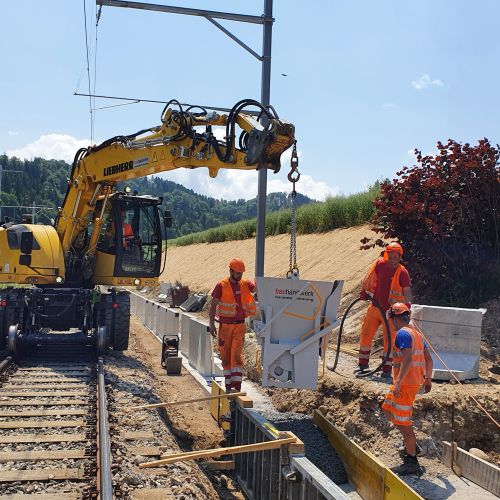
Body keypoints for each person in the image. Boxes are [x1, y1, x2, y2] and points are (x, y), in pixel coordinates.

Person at [382, 303, 433, 476]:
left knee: (404, 425)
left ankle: (412, 461)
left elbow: (408, 359)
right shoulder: (416, 334)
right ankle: (412, 445)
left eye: (391, 319)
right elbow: (429, 359)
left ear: (394, 318)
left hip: (404, 384)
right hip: (409, 382)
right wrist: (428, 379)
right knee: (387, 407)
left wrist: (398, 384)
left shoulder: (403, 333)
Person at [356, 242, 412, 379]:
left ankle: (386, 371)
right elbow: (370, 280)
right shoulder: (380, 264)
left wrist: (406, 309)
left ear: (399, 257)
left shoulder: (402, 272)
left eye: (395, 257)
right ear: (386, 255)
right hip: (375, 307)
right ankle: (363, 365)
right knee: (366, 333)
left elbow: (407, 292)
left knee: (390, 340)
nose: (392, 259)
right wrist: (364, 292)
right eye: (390, 256)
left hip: (391, 313)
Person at [209, 258, 256, 392]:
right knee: (225, 357)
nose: (240, 275)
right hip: (225, 327)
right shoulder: (221, 286)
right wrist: (211, 324)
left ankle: (237, 386)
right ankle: (228, 386)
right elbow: (213, 306)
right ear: (230, 271)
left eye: (241, 273)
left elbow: (256, 287)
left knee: (236, 356)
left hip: (239, 326)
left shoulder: (245, 284)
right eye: (237, 273)